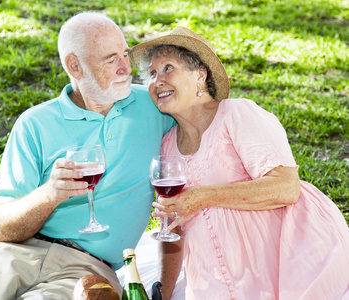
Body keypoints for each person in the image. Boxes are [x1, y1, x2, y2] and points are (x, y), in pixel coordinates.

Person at [129, 27, 349, 300]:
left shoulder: (237, 114)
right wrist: (162, 291)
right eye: (151, 74)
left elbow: (286, 188)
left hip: (289, 255)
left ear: (199, 75)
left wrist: (203, 196)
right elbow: (174, 231)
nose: (157, 81)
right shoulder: (167, 146)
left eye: (167, 68)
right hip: (214, 272)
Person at [0, 12, 174, 299]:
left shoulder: (154, 105)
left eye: (125, 54)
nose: (126, 68)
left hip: (85, 269)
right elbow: (0, 227)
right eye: (111, 59)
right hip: (12, 254)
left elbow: (208, 114)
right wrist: (50, 193)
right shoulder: (35, 123)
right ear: (75, 66)